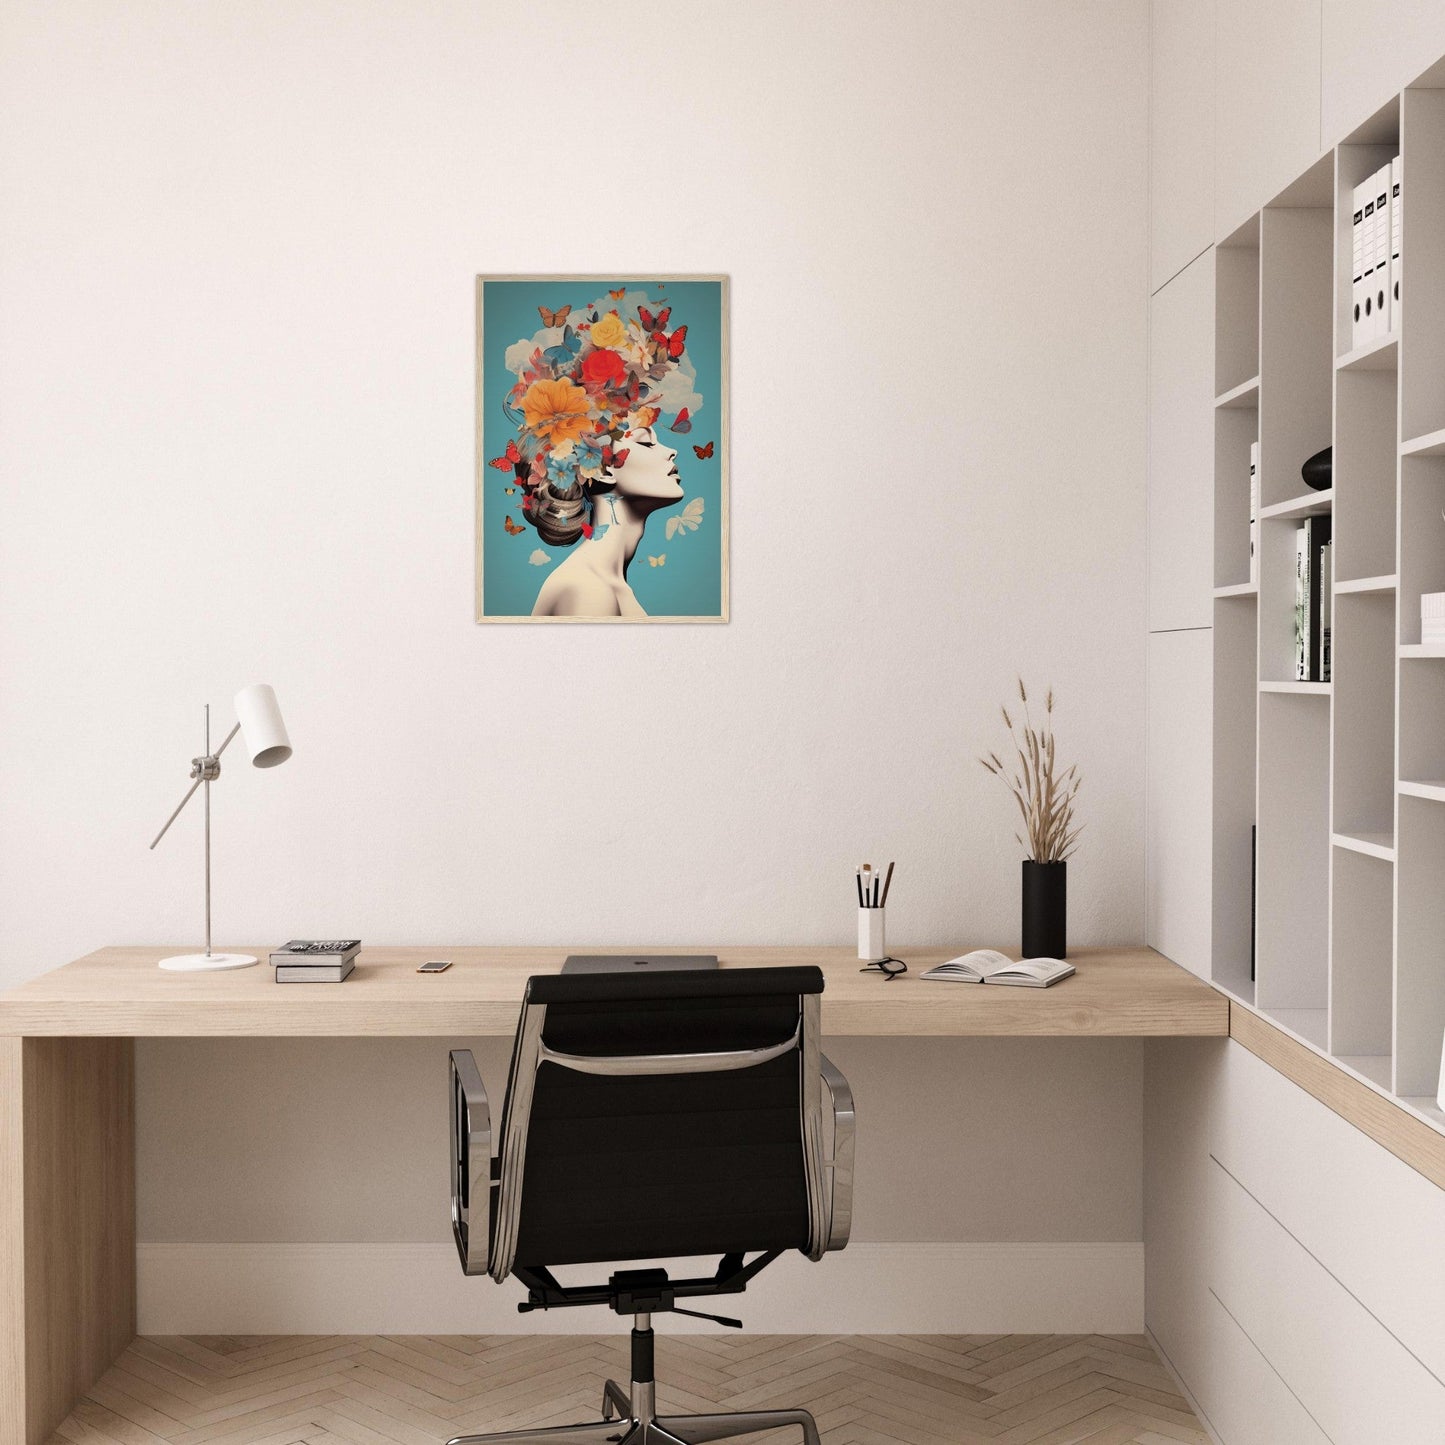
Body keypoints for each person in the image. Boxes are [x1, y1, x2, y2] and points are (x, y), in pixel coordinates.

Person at [491, 291, 697, 618]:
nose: (671, 451)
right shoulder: (588, 590)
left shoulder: (604, 584)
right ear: (601, 469)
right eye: (646, 441)